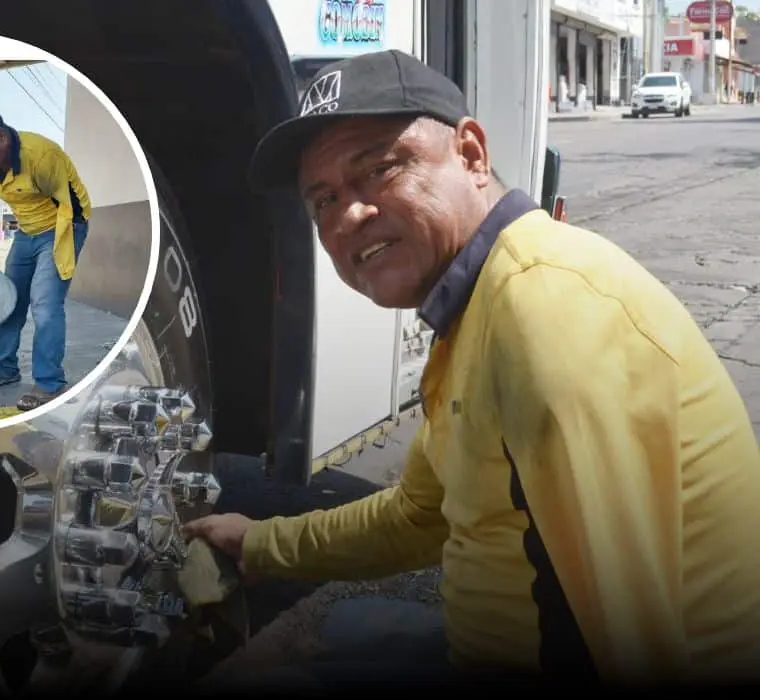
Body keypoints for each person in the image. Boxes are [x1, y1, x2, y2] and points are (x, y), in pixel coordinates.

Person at [184, 49, 760, 688]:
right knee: (351, 625)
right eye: (321, 200)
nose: (346, 215)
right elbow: (420, 516)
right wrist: (261, 545)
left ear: (472, 155)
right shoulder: (477, 302)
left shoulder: (543, 311)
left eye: (379, 168)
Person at [0, 104, 93, 411]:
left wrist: (64, 246)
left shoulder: (42, 157)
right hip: (26, 232)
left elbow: (74, 208)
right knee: (10, 301)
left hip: (63, 224)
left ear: (1, 137)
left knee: (44, 304)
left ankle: (50, 384)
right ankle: (5, 369)